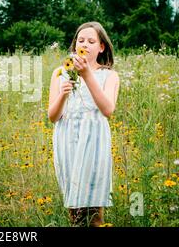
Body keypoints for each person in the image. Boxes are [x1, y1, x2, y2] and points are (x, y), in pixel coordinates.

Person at [47, 21, 120, 227]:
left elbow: (108, 110)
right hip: (67, 142)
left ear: (101, 47)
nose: (85, 44)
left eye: (91, 41)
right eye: (80, 40)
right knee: (75, 214)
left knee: (95, 214)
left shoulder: (110, 76)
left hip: (94, 144)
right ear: (74, 45)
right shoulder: (60, 73)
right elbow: (53, 117)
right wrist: (62, 94)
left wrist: (87, 74)